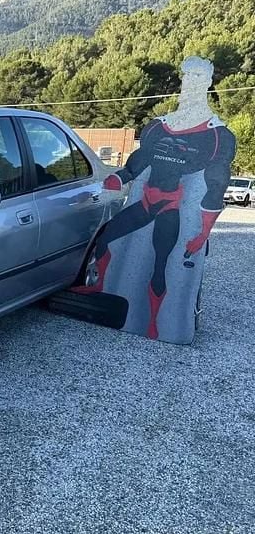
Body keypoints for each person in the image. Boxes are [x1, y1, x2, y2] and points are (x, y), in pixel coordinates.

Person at [74, 56, 236, 340]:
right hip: (145, 202)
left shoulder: (218, 135)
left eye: (198, 77)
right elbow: (139, 160)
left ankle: (154, 323)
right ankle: (100, 287)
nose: (190, 82)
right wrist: (119, 178)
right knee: (106, 237)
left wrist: (203, 231)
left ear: (208, 82)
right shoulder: (158, 126)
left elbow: (216, 184)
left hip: (171, 210)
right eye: (186, 76)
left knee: (159, 264)